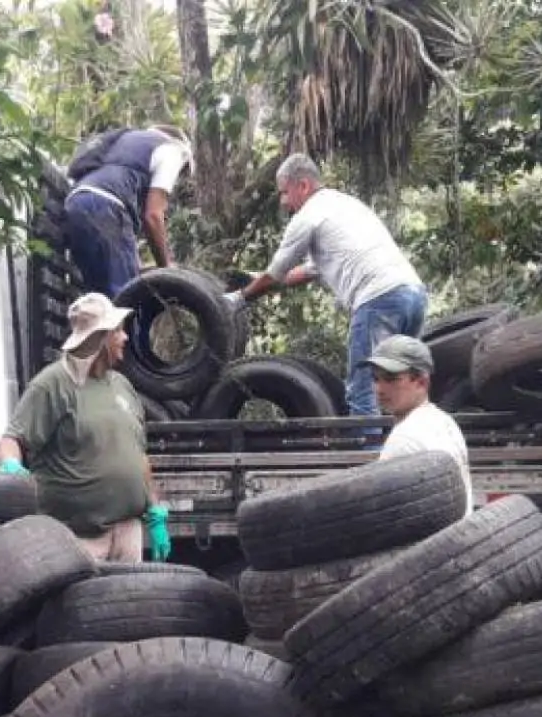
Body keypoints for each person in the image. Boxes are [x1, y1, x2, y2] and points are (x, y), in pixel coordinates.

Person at [225, 153, 428, 416]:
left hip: (378, 299)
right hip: (413, 294)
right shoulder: (343, 204)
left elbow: (276, 273)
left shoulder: (308, 216)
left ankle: (366, 445)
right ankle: (412, 441)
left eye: (284, 192)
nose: (284, 202)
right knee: (403, 388)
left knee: (363, 390)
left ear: (303, 185)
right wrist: (255, 277)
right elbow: (307, 271)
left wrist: (239, 299)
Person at [0, 292, 170, 563]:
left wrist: (155, 509)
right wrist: (12, 468)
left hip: (127, 531)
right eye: (118, 331)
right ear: (99, 337)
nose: (125, 338)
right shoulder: (53, 384)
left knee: (129, 592)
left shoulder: (121, 386)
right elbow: (10, 441)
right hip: (76, 539)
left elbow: (139, 456)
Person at [62, 124, 192, 300]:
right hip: (106, 206)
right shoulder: (173, 150)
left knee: (102, 301)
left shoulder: (124, 140)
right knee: (126, 301)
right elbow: (153, 216)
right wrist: (167, 266)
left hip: (76, 204)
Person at [364, 334, 472, 517]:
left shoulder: (405, 438)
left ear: (422, 382)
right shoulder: (445, 421)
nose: (379, 389)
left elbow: (385, 519)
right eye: (376, 379)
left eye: (391, 378)